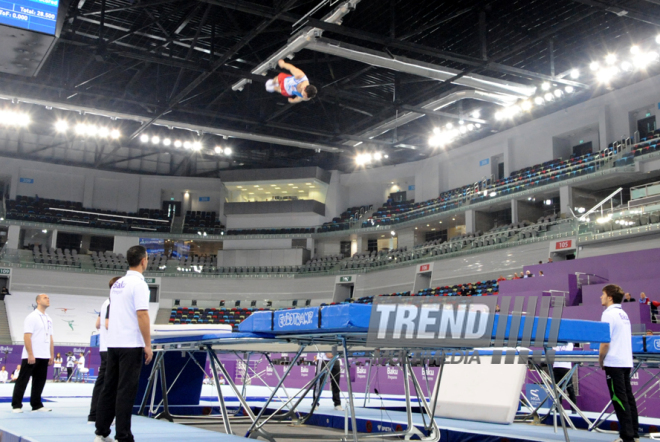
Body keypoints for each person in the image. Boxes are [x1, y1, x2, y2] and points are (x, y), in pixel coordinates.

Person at [94, 246, 153, 442]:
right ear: (144, 260)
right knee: (125, 390)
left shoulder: (118, 284)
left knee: (109, 387)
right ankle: (123, 435)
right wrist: (147, 344)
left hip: (114, 343)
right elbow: (142, 314)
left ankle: (101, 432)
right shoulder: (139, 285)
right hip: (130, 344)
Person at [599, 284, 639, 442]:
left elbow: (605, 342)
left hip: (614, 362)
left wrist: (600, 359)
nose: (600, 297)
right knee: (628, 398)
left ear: (609, 297)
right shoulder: (623, 313)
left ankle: (627, 437)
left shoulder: (608, 314)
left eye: (602, 294)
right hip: (625, 361)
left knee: (619, 399)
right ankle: (634, 434)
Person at [11, 293, 54, 413]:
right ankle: (16, 405)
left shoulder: (49, 318)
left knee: (40, 381)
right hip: (32, 355)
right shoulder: (32, 317)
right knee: (23, 380)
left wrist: (51, 355)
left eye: (48, 297)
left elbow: (51, 338)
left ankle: (36, 405)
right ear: (38, 301)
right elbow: (27, 336)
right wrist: (30, 353)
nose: (48, 299)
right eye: (45, 298)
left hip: (44, 355)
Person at [89, 276, 121, 424]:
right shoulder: (113, 302)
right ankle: (102, 416)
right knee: (109, 383)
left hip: (105, 346)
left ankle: (94, 415)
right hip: (111, 347)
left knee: (102, 382)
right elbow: (106, 324)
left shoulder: (106, 302)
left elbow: (98, 324)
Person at [552, 343, 577, 412]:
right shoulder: (556, 342)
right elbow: (553, 351)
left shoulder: (569, 343)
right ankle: (558, 407)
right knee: (557, 388)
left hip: (566, 367)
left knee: (569, 388)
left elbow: (565, 353)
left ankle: (574, 408)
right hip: (557, 367)